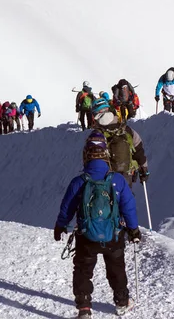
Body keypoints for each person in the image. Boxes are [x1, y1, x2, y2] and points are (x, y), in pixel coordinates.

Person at [54, 132, 140, 318]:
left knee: (83, 270)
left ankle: (84, 308)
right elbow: (129, 207)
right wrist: (133, 230)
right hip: (114, 235)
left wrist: (60, 225)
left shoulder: (79, 182)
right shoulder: (117, 180)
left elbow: (67, 208)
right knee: (116, 268)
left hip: (86, 236)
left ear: (86, 155)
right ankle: (122, 302)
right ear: (106, 155)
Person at [92, 99, 149, 188]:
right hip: (126, 175)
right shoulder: (125, 129)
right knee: (126, 199)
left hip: (104, 177)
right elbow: (138, 149)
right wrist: (144, 169)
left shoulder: (96, 135)